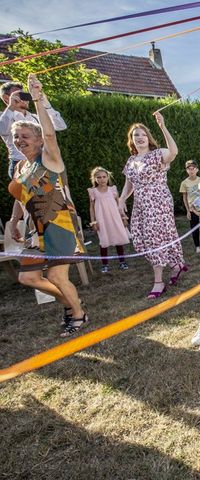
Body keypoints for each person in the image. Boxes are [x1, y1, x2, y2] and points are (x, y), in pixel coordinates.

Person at [6, 74, 87, 337]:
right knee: (28, 278)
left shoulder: (48, 158)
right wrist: (13, 220)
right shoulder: (20, 165)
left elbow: (50, 132)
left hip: (58, 224)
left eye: (25, 136)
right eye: (16, 137)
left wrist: (38, 98)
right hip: (34, 227)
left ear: (39, 140)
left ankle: (77, 314)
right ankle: (71, 305)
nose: (19, 141)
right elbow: (21, 195)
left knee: (56, 277)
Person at [119, 112, 187, 299]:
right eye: (135, 135)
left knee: (154, 238)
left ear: (148, 138)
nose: (139, 138)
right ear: (131, 140)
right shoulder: (131, 161)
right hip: (141, 204)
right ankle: (176, 265)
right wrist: (122, 199)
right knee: (145, 238)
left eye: (142, 134)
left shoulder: (157, 154)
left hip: (158, 201)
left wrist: (163, 126)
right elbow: (129, 184)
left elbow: (173, 152)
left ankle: (158, 281)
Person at [0, 81, 67, 179]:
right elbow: (2, 129)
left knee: (48, 193)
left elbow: (60, 126)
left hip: (41, 162)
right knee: (30, 194)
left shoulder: (35, 117)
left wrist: (46, 103)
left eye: (25, 95)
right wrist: (11, 106)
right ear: (6, 98)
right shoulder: (4, 116)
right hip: (19, 164)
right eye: (20, 95)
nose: (25, 98)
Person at [88, 166, 130, 273]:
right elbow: (91, 207)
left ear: (108, 177)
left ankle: (122, 261)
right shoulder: (93, 191)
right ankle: (105, 264)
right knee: (104, 240)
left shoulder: (113, 189)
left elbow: (119, 204)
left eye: (104, 177)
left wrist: (123, 217)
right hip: (102, 219)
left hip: (115, 218)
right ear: (95, 179)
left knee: (118, 239)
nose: (102, 179)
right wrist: (93, 221)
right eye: (99, 177)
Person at [179, 159, 200, 254]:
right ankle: (197, 246)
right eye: (189, 169)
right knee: (195, 228)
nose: (191, 170)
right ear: (187, 171)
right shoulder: (184, 183)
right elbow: (185, 198)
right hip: (192, 209)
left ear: (197, 169)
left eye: (193, 168)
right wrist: (188, 211)